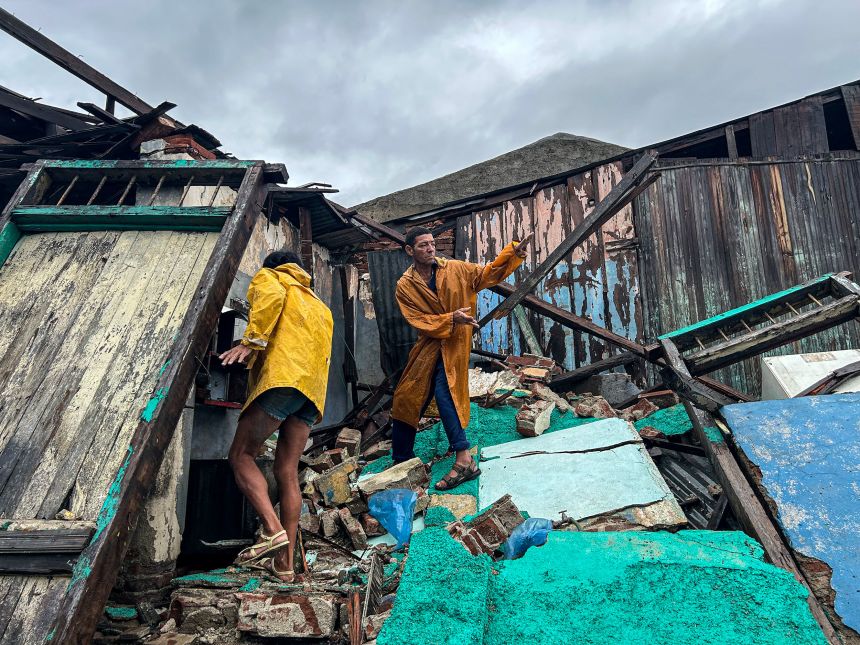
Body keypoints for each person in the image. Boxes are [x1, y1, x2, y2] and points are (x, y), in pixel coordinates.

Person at [219, 250, 333, 582]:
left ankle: (271, 529)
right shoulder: (320, 306)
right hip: (311, 395)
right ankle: (286, 565)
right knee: (286, 469)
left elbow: (268, 300)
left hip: (283, 382)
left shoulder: (272, 277)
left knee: (241, 455)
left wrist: (250, 343)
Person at [390, 226, 533, 490]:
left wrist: (513, 255)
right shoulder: (405, 286)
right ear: (410, 250)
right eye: (423, 245)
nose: (430, 248)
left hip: (455, 344)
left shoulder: (456, 269)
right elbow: (418, 320)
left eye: (432, 244)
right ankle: (401, 459)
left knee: (446, 393)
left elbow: (487, 274)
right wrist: (450, 318)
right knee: (406, 397)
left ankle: (464, 457)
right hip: (429, 345)